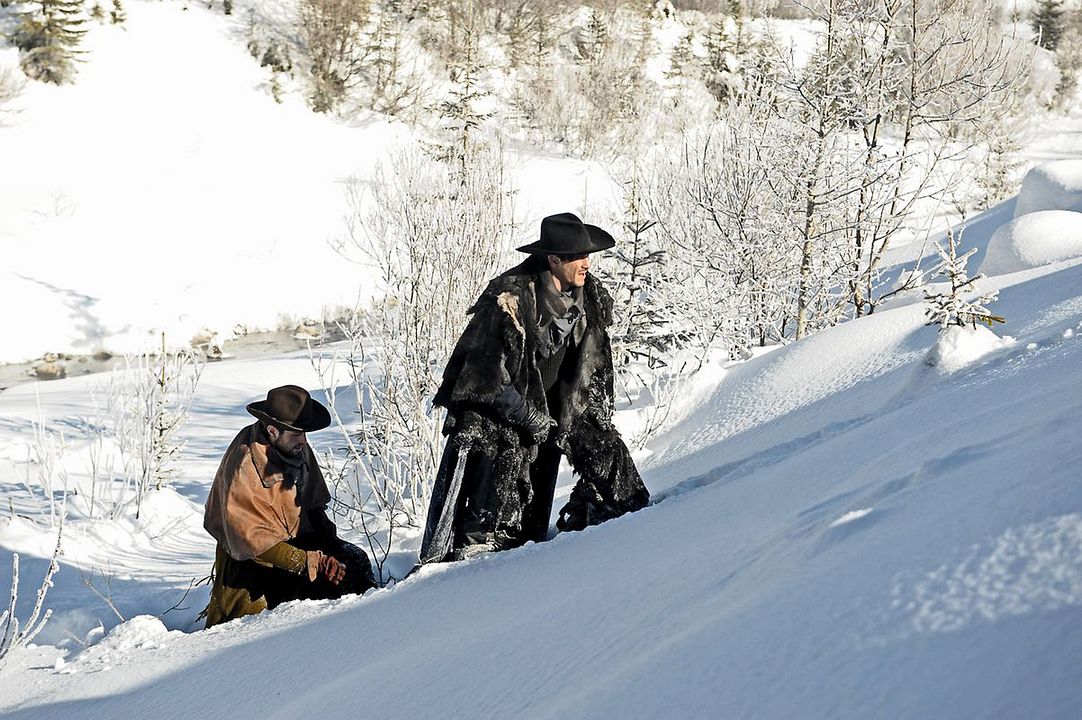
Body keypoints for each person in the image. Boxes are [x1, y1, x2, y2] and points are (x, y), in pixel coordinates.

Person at [419, 212, 650, 564]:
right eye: (577, 257)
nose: (586, 264)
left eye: (587, 256)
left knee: (621, 489)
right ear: (553, 260)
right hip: (505, 416)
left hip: (559, 412)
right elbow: (483, 378)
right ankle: (478, 541)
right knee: (504, 527)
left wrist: (585, 419)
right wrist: (528, 416)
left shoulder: (591, 299)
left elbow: (597, 367)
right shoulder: (509, 299)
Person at [202, 385, 375, 627]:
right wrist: (315, 563)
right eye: (297, 434)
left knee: (355, 563)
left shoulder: (293, 443)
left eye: (305, 433)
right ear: (272, 430)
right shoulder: (244, 465)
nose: (304, 441)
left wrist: (330, 546)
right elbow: (254, 545)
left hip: (298, 544)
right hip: (253, 565)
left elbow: (313, 504)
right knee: (261, 620)